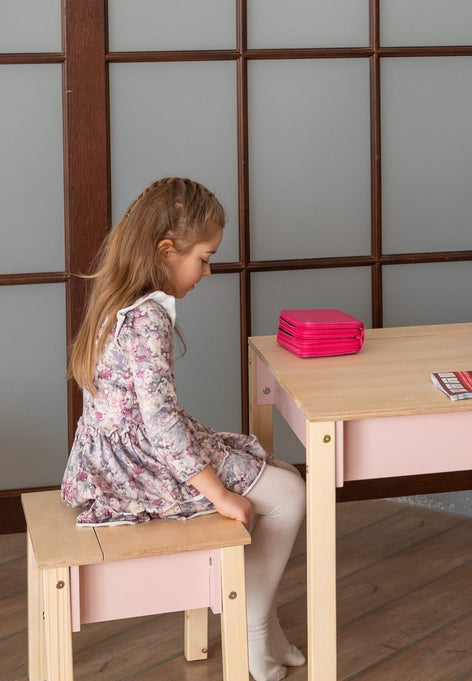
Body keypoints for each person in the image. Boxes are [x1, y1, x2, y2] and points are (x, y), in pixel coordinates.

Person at [62, 177, 307, 681]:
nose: (208, 270)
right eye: (204, 257)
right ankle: (254, 630)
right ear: (166, 250)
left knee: (274, 470)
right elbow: (159, 422)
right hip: (139, 466)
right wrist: (218, 495)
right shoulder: (147, 318)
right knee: (286, 492)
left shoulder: (115, 303)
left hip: (112, 457)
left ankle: (265, 625)